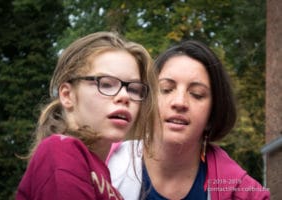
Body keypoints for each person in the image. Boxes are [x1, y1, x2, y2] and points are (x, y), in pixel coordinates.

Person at [107, 40, 270, 200]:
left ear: (212, 115)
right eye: (166, 89)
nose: (179, 102)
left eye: (197, 94)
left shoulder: (242, 193)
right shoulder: (102, 166)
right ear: (147, 100)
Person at [16, 31, 158, 200]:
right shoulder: (61, 151)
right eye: (106, 84)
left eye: (134, 89)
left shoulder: (108, 185)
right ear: (67, 95)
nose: (125, 97)